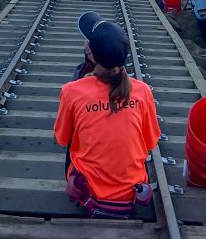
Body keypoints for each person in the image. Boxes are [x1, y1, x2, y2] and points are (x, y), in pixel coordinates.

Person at [54, 11, 160, 218]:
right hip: (132, 194)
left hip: (89, 192)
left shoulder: (71, 90)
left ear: (92, 56)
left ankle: (83, 191)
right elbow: (151, 142)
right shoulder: (143, 91)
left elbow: (61, 138)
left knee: (72, 139)